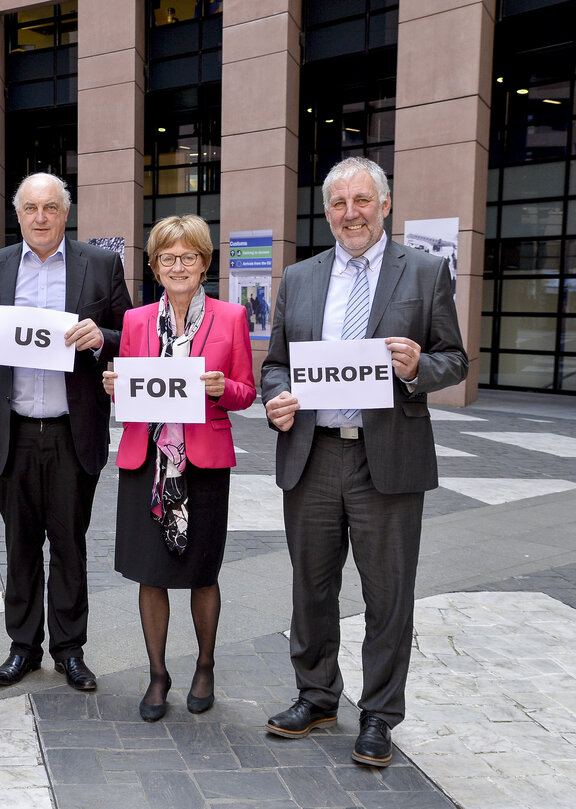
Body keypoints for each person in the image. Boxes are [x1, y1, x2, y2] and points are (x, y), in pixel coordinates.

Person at [261, 156, 468, 766]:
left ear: (384, 205)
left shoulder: (426, 272)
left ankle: (378, 714)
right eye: (338, 203)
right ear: (326, 212)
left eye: (361, 201)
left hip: (389, 461)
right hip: (314, 455)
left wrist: (416, 368)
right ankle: (317, 695)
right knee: (312, 587)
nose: (350, 213)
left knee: (388, 594)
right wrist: (276, 397)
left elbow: (453, 359)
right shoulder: (299, 278)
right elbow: (275, 362)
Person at [0, 172, 133, 691]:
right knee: (19, 545)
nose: (41, 217)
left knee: (69, 543)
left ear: (66, 213)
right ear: (17, 215)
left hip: (71, 432)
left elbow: (133, 336)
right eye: (31, 208)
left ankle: (70, 649)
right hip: (11, 431)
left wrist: (101, 337)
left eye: (51, 208)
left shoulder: (101, 266)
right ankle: (22, 648)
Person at [102, 215, 255, 721]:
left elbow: (246, 392)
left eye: (189, 256)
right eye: (167, 258)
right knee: (152, 574)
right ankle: (158, 674)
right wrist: (114, 387)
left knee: (202, 573)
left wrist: (220, 389)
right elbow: (127, 383)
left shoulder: (231, 318)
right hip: (147, 464)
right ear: (154, 266)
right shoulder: (136, 321)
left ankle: (205, 665)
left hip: (202, 464)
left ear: (205, 263)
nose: (178, 266)